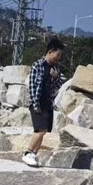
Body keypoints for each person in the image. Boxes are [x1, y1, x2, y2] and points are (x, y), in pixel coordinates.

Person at [23, 37, 65, 167]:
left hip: (48, 103)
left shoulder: (55, 69)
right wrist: (35, 103)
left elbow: (58, 86)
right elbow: (32, 85)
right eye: (58, 55)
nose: (59, 58)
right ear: (50, 51)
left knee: (45, 130)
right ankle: (27, 153)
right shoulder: (38, 65)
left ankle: (33, 154)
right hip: (38, 102)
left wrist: (55, 77)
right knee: (40, 130)